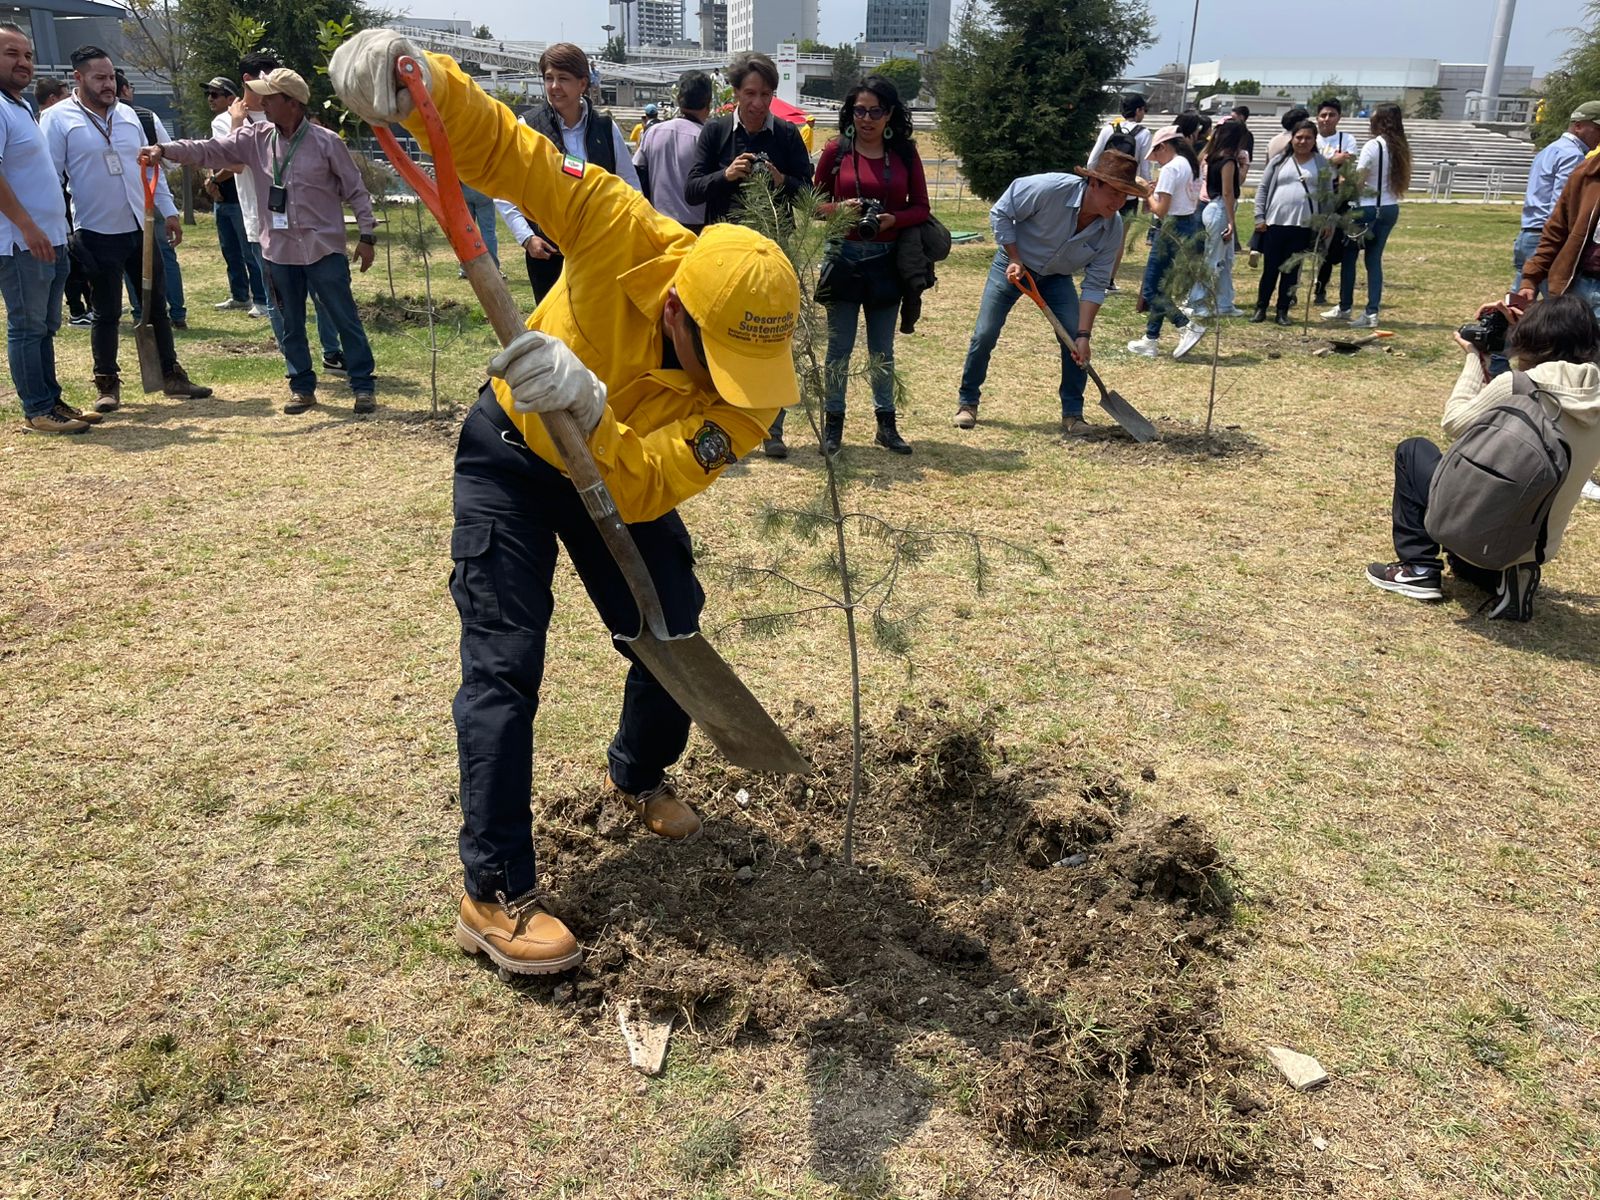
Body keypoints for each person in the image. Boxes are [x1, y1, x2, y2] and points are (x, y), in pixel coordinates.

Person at [328, 30, 803, 976]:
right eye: (723, 358)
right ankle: (493, 891)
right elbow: (510, 152)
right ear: (676, 305)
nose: (739, 386)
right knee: (506, 664)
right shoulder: (619, 227)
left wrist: (588, 405)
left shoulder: (751, 397)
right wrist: (420, 80)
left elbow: (646, 482)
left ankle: (636, 772)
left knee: (668, 616)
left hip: (610, 474)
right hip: (507, 452)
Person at [144, 67, 379, 414]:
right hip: (279, 251)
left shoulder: (327, 142)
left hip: (323, 249)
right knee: (290, 322)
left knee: (344, 318)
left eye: (269, 98)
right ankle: (302, 387)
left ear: (292, 103)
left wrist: (367, 235)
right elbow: (208, 150)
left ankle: (362, 386)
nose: (262, 103)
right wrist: (164, 149)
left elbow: (356, 190)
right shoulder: (254, 138)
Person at [1366, 293, 1600, 620]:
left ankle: (1418, 568)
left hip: (1485, 533)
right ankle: (1509, 576)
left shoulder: (1520, 385)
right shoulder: (1595, 395)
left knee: (1414, 450)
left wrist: (1474, 358)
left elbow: (1454, 423)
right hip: (1535, 547)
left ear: (1531, 338)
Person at [41, 45, 210, 412]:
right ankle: (107, 383)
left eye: (111, 78)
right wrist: (58, 227)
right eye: (99, 78)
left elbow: (152, 169)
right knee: (106, 312)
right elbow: (49, 178)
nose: (109, 86)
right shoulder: (57, 119)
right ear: (79, 78)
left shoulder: (130, 116)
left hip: (141, 228)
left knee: (156, 308)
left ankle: (170, 375)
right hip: (96, 232)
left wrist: (168, 212)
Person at [952, 149, 1145, 435]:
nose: (1118, 203)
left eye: (1125, 196)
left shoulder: (1111, 228)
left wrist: (1083, 336)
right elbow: (1002, 212)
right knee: (985, 332)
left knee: (1074, 345)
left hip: (1056, 277)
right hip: (1013, 266)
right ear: (1094, 183)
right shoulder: (1050, 189)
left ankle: (1073, 415)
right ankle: (967, 402)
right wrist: (1015, 256)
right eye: (1114, 193)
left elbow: (1095, 283)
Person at [685, 51, 812, 456]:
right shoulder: (716, 132)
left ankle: (773, 427)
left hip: (773, 253)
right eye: (751, 93)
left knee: (774, 337)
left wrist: (781, 180)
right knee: (713, 332)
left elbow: (809, 194)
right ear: (736, 93)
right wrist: (727, 174)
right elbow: (691, 189)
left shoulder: (788, 136)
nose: (758, 103)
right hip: (722, 255)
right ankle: (717, 422)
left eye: (767, 94)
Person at [813, 75, 928, 455]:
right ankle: (833, 428)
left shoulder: (906, 155)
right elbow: (813, 205)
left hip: (885, 262)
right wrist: (839, 210)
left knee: (882, 350)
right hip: (842, 259)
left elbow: (922, 209)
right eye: (860, 110)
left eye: (875, 111)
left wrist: (894, 219)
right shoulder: (836, 152)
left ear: (889, 113)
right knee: (839, 349)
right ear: (850, 112)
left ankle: (886, 426)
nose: (867, 118)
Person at [0, 23, 93, 433]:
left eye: (28, 55)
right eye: (11, 53)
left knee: (44, 327)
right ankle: (37, 410)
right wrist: (27, 226)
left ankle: (51, 400)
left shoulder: (19, 105)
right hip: (22, 243)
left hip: (51, 238)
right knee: (27, 325)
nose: (23, 62)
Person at [496, 43, 639, 306]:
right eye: (549, 78)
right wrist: (527, 238)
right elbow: (503, 189)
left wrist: (629, 233)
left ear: (582, 83)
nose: (554, 87)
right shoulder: (528, 127)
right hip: (548, 254)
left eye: (563, 79)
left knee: (600, 323)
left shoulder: (605, 128)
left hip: (600, 249)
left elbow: (630, 186)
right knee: (554, 333)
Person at [113, 70, 186, 329]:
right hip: (148, 196)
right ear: (125, 91)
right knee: (163, 256)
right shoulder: (146, 115)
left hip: (139, 196)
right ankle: (175, 312)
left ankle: (140, 312)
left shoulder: (125, 119)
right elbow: (171, 162)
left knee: (134, 257)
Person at [1127, 127, 1206, 359]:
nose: (1156, 160)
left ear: (1163, 147)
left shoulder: (1171, 168)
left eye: (1156, 154)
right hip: (1188, 224)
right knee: (1162, 285)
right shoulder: (1190, 165)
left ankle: (1186, 325)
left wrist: (1146, 193)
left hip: (1171, 227)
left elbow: (1161, 211)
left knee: (1151, 289)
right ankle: (1150, 339)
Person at [1330, 103, 1410, 329]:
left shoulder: (1373, 146)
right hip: (1389, 207)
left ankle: (1345, 306)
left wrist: (1344, 180)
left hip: (1367, 207)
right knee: (1373, 260)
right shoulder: (1399, 147)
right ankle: (1372, 310)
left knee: (1349, 256)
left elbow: (1360, 180)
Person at [1513, 102, 1600, 294]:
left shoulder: (1550, 149)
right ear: (1578, 126)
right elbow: (1563, 207)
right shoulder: (1574, 156)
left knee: (1520, 303)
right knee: (1554, 311)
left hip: (1527, 232)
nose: (1599, 135)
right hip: (1546, 237)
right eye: (1597, 129)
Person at [200, 76, 267, 315]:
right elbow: (216, 154)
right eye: (208, 94)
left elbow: (235, 160)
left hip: (240, 198)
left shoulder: (239, 121)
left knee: (251, 251)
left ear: (231, 98)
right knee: (230, 250)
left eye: (215, 94)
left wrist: (216, 179)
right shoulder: (218, 122)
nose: (210, 99)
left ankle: (261, 299)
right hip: (222, 198)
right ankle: (240, 295)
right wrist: (211, 179)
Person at [1250, 119, 1327, 325]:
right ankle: (1261, 307)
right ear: (1292, 138)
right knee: (1270, 269)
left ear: (1314, 140)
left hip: (1303, 225)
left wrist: (1326, 221)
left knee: (1291, 271)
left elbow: (1327, 195)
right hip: (1275, 223)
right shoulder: (1279, 161)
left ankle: (1282, 310)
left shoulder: (1320, 163)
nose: (1303, 141)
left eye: (1308, 138)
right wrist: (1260, 216)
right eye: (1299, 137)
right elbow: (1263, 189)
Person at [1086, 93, 1152, 293]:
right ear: (1138, 110)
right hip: (1127, 195)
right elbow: (1145, 168)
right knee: (1118, 238)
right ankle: (1108, 281)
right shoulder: (1144, 134)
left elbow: (1092, 161)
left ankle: (1091, 273)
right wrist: (1146, 193)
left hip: (1103, 189)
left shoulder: (1109, 129)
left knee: (1095, 231)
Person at [632, 70, 711, 232]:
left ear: (678, 100)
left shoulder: (653, 132)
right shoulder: (705, 138)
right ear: (708, 103)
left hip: (658, 225)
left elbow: (636, 173)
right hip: (696, 229)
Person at [1188, 119, 1245, 320]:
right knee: (1212, 259)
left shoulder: (1212, 157)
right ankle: (1196, 301)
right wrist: (1231, 221)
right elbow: (1228, 192)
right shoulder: (1227, 161)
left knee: (1226, 260)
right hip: (1220, 208)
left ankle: (1224, 302)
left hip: (1215, 207)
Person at [1312, 97, 1359, 309]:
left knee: (1329, 245)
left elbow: (1348, 160)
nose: (1326, 119)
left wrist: (1329, 160)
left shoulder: (1347, 138)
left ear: (1338, 117)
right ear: (1317, 117)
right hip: (1312, 194)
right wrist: (1333, 159)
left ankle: (1320, 288)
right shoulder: (1312, 138)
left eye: (1331, 115)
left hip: (1336, 196)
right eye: (1323, 115)